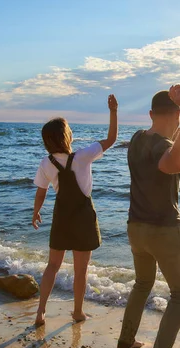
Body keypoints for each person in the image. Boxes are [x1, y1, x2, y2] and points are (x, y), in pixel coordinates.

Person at [117, 85, 180, 348]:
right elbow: (178, 160)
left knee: (142, 283)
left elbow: (169, 143)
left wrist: (179, 114)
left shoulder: (138, 138)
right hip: (163, 230)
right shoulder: (163, 147)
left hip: (135, 228)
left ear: (150, 114)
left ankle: (126, 341)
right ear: (176, 115)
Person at [32, 94, 118, 325]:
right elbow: (111, 139)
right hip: (83, 218)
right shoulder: (83, 156)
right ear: (66, 136)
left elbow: (41, 191)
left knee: (53, 265)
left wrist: (36, 212)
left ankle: (40, 311)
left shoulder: (46, 163)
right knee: (81, 270)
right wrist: (113, 111)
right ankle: (77, 312)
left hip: (62, 217)